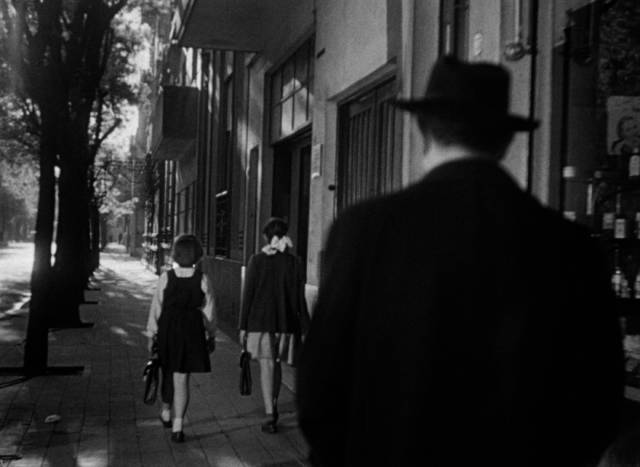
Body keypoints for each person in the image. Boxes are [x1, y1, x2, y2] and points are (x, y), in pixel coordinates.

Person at [297, 56, 624, 466]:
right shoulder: (570, 246)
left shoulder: (363, 230)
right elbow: (600, 400)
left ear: (422, 129)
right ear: (505, 142)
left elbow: (320, 385)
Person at [240, 217, 309, 434]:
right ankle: (274, 405)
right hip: (285, 323)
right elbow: (300, 299)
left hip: (260, 323)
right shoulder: (295, 263)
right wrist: (306, 327)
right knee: (277, 364)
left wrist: (242, 326)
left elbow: (248, 295)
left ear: (266, 237)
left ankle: (271, 412)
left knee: (267, 365)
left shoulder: (256, 261)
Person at [146, 234, 216, 443]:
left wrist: (151, 333)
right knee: (182, 376)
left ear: (176, 254)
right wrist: (211, 334)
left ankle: (166, 411)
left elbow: (156, 307)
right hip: (192, 329)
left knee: (167, 369)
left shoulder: (166, 277)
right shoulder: (203, 279)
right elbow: (210, 311)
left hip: (168, 328)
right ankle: (178, 426)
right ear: (198, 255)